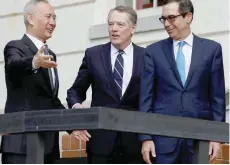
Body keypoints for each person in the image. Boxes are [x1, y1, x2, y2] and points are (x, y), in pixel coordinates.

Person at [139, 0, 226, 164]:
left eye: (171, 18)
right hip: (162, 142)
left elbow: (217, 96)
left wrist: (217, 136)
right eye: (163, 19)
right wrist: (146, 138)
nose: (166, 24)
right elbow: (145, 98)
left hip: (199, 139)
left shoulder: (211, 50)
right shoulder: (153, 52)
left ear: (188, 17)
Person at [66, 5, 145, 164]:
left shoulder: (146, 57)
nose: (114, 29)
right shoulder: (93, 55)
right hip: (101, 145)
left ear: (133, 28)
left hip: (135, 143)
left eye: (120, 25)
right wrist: (78, 110)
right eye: (110, 24)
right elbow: (75, 91)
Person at [1, 0, 65, 163]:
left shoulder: (50, 55)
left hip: (49, 147)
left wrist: (75, 126)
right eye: (48, 17)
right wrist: (34, 62)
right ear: (30, 18)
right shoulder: (15, 47)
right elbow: (13, 66)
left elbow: (51, 99)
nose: (53, 23)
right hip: (21, 145)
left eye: (55, 18)